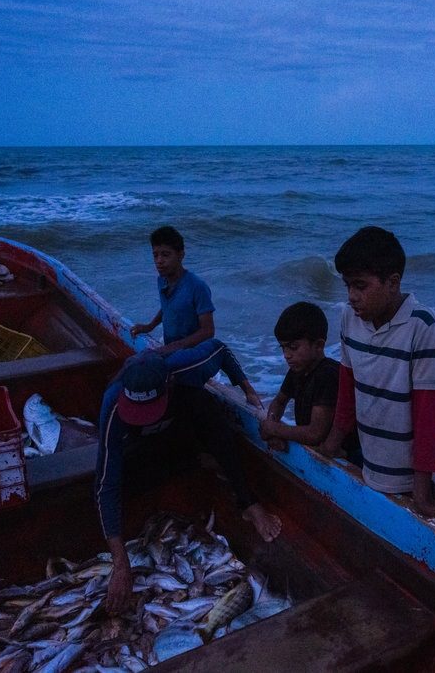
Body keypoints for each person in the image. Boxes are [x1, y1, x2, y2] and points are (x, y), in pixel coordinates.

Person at [95, 341, 282, 614]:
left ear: (168, 383)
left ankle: (248, 504)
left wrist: (249, 391)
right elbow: (105, 484)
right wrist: (121, 563)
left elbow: (220, 350)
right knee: (125, 476)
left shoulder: (185, 365)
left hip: (179, 420)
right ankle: (194, 460)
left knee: (210, 411)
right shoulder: (112, 405)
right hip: (143, 443)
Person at [319, 226, 435, 520]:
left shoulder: (423, 326)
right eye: (347, 286)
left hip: (420, 479)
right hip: (373, 466)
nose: (352, 296)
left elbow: (428, 413)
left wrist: (421, 494)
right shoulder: (349, 317)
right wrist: (332, 442)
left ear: (392, 283)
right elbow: (348, 386)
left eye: (361, 286)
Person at [258, 301, 362, 466]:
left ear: (319, 345)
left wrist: (273, 429)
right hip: (320, 449)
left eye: (293, 347)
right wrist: (273, 424)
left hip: (347, 456)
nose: (287, 355)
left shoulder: (328, 375)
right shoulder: (298, 369)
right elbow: (279, 401)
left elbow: (315, 433)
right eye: (283, 348)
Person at [130, 225, 215, 356]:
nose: (159, 261)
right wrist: (150, 326)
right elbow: (167, 307)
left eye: (165, 255)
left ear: (181, 255)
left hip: (194, 354)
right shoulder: (162, 280)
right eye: (155, 255)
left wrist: (177, 345)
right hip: (172, 349)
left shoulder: (197, 287)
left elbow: (208, 331)